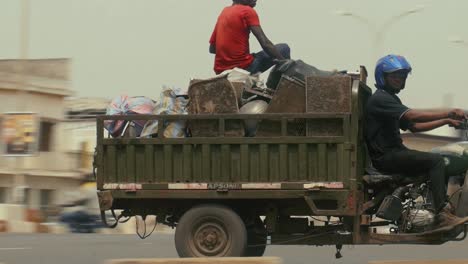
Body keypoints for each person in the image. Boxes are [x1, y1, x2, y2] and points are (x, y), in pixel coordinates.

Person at [365, 54, 468, 229]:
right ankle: (442, 213)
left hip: (394, 152)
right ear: (383, 77)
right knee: (436, 161)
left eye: (402, 76)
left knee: (436, 158)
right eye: (394, 75)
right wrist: (449, 112)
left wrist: (446, 122)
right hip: (387, 156)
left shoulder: (390, 99)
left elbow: (413, 126)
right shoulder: (380, 99)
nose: (399, 79)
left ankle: (437, 209)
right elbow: (413, 115)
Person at [209, 0, 291, 75]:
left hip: (221, 72)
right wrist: (285, 63)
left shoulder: (224, 12)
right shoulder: (247, 11)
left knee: (261, 56)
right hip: (244, 68)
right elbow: (265, 44)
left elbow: (212, 49)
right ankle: (279, 88)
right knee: (284, 48)